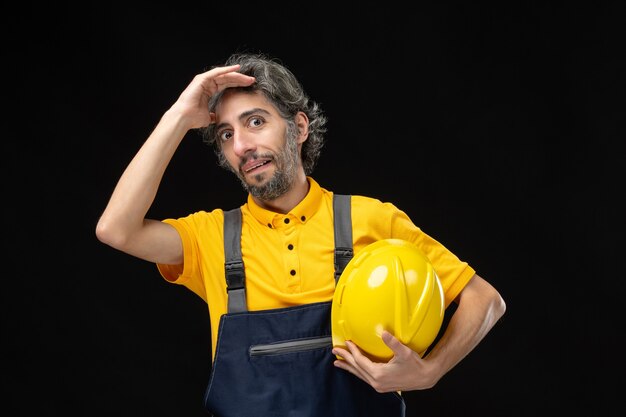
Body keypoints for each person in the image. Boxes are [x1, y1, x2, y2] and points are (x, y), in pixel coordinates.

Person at [96, 52, 506, 417]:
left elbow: (484, 300)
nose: (241, 145)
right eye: (226, 134)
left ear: (299, 127)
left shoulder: (372, 220)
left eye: (255, 122)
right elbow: (116, 229)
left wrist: (430, 371)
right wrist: (178, 117)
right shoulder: (211, 238)